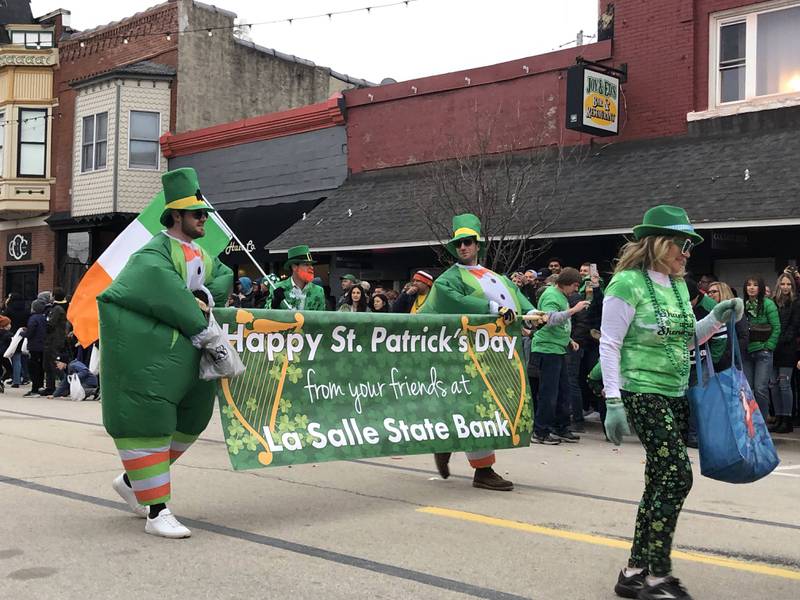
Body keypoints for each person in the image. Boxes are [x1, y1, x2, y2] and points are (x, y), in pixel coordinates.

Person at [601, 205, 743, 600]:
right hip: (642, 390)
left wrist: (716, 317)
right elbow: (609, 343)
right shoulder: (626, 284)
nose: (687, 253)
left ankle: (633, 572)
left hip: (675, 392)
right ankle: (657, 578)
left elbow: (686, 338)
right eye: (682, 244)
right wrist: (613, 400)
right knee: (678, 476)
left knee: (659, 481)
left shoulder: (679, 286)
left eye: (689, 246)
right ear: (660, 243)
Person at [98, 167, 233, 538]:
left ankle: (132, 480)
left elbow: (222, 277)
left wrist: (202, 297)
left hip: (191, 356)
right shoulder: (152, 253)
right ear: (177, 214)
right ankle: (156, 511)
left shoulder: (202, 252)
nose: (204, 218)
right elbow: (160, 289)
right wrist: (196, 309)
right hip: (157, 356)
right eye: (197, 213)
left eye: (204, 212)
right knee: (148, 421)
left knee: (193, 419)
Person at [419, 213, 536, 491]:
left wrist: (533, 314)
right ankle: (482, 469)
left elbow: (519, 302)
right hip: (468, 353)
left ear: (477, 245)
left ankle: (446, 441)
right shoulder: (449, 279)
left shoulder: (498, 277)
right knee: (477, 407)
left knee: (483, 406)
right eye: (459, 243)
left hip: (498, 353)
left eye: (468, 242)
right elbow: (450, 300)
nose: (463, 247)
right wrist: (492, 309)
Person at [531, 268, 590, 444]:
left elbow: (559, 323)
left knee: (564, 392)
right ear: (571, 284)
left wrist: (569, 338)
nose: (575, 291)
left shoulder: (561, 296)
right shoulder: (551, 295)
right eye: (575, 286)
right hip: (546, 349)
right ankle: (540, 431)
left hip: (558, 348)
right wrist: (574, 310)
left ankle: (560, 427)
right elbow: (549, 319)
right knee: (549, 393)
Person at [741, 276, 780, 418]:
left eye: (755, 285)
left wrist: (768, 346)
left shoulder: (768, 304)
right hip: (746, 352)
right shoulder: (742, 304)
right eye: (748, 285)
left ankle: (762, 421)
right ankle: (751, 422)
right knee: (748, 389)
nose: (751, 287)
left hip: (763, 352)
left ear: (761, 288)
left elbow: (776, 328)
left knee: (760, 389)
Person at [769, 273, 798, 433]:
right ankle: (778, 417)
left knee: (784, 384)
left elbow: (794, 327)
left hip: (787, 349)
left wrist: (778, 340)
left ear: (792, 287)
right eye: (783, 284)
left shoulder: (796, 303)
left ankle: (787, 419)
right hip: (773, 349)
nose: (785, 287)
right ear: (778, 285)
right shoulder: (773, 302)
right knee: (773, 385)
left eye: (789, 284)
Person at [268, 246, 327, 311]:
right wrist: (274, 303)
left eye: (311, 264)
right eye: (306, 264)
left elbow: (322, 318)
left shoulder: (318, 291)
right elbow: (265, 315)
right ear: (294, 267)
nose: (311, 268)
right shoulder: (277, 288)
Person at [42, 287, 69, 396]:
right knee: (49, 364)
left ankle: (65, 385)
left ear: (54, 296)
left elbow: (51, 324)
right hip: (55, 339)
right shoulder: (60, 307)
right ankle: (50, 387)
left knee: (53, 364)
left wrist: (45, 321)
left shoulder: (57, 309)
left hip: (54, 340)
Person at [23, 299, 47, 398]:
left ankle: (35, 389)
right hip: (43, 345)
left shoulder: (33, 318)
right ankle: (40, 386)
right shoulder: (44, 318)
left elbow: (31, 332)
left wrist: (24, 333)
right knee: (41, 367)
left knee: (33, 367)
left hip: (34, 346)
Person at [4, 292, 29, 387]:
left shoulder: (9, 310)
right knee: (20, 358)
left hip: (10, 336)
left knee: (13, 357)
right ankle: (22, 378)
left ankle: (16, 379)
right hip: (22, 335)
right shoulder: (26, 310)